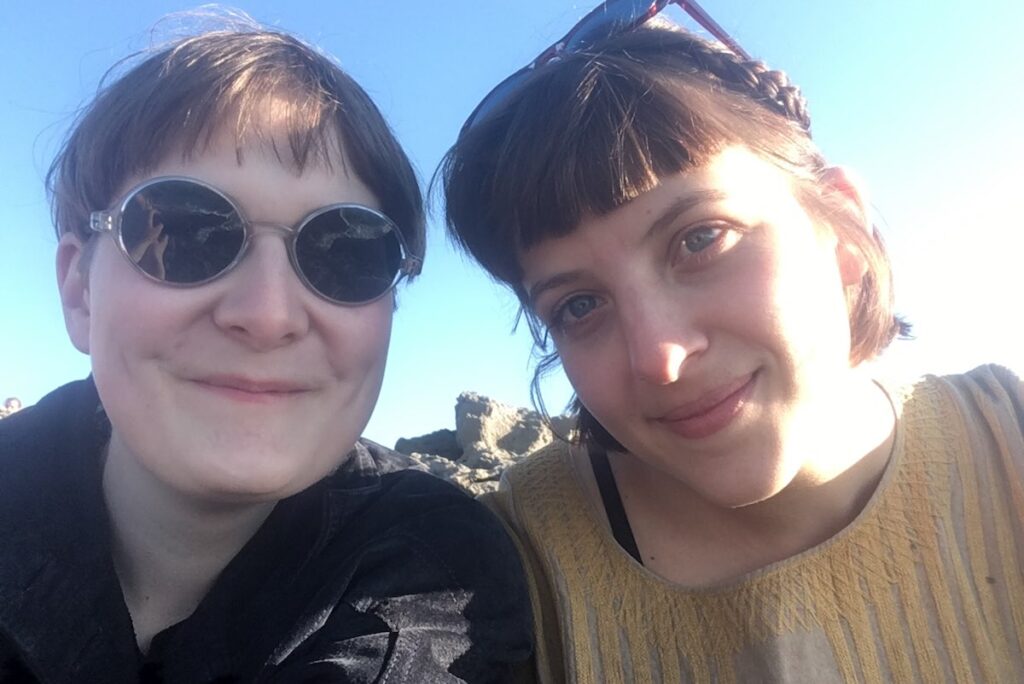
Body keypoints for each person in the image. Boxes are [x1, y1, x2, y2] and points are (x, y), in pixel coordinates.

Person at [441, 1, 1024, 681]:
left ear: (841, 229)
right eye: (579, 305)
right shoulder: (504, 563)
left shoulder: (1005, 443)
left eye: (700, 239)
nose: (659, 356)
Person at [0, 17, 532, 683]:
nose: (268, 314)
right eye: (189, 233)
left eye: (347, 253)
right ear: (80, 291)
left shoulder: (439, 572)